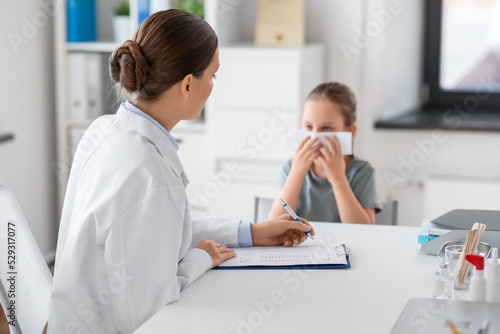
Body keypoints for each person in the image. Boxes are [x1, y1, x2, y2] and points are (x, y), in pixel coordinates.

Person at [48, 9, 313, 334]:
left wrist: (251, 233)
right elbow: (146, 315)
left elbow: (160, 229)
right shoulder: (150, 175)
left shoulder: (104, 130)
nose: (213, 86)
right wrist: (201, 258)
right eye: (213, 76)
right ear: (187, 84)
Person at [268, 82, 382, 224]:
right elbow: (273, 225)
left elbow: (365, 230)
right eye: (308, 126)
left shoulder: (361, 171)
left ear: (349, 131)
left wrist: (338, 178)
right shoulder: (291, 166)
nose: (314, 137)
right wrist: (297, 175)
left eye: (326, 128)